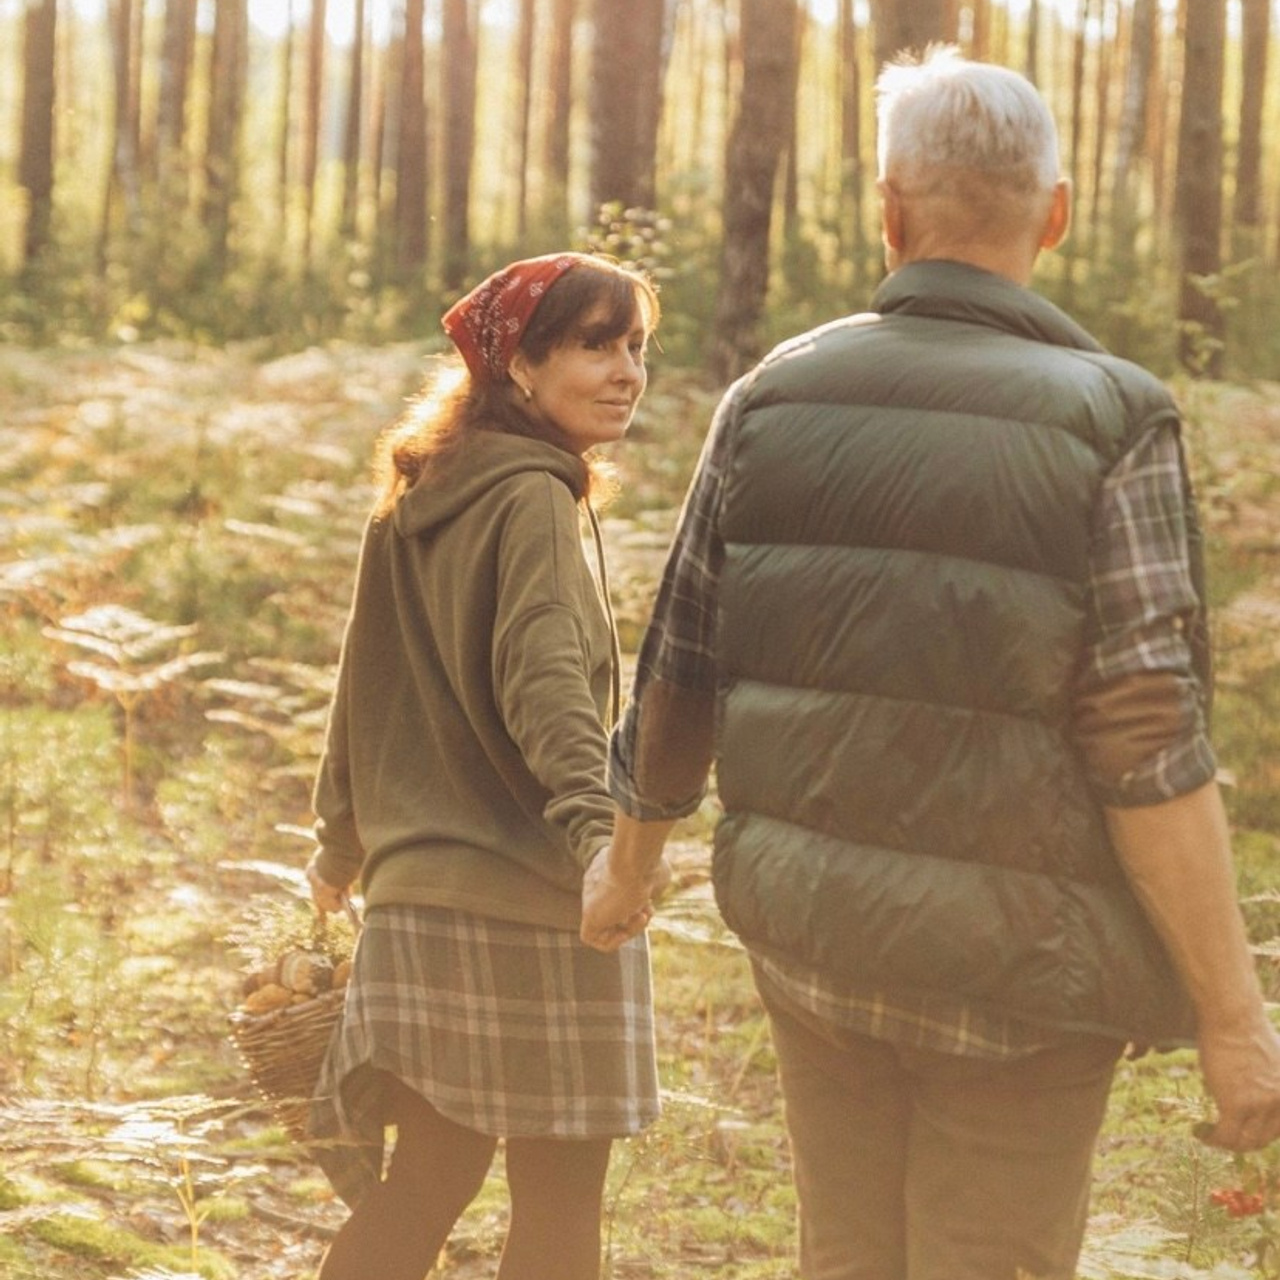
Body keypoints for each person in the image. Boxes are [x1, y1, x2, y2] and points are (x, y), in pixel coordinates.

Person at [581, 48, 1280, 1280]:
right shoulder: (1115, 419)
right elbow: (1146, 740)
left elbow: (680, 664)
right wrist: (1232, 1018)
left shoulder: (768, 397)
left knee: (844, 1257)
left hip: (815, 949)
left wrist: (624, 867)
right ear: (1052, 216)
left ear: (889, 213)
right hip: (1017, 979)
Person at [305, 252, 662, 1280]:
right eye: (595, 344)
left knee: (425, 1178)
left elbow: (356, 683)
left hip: (418, 897)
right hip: (536, 897)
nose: (626, 371)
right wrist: (603, 840)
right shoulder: (533, 501)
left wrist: (338, 844)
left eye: (634, 346)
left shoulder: (412, 498)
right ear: (519, 366)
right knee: (557, 1200)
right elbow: (544, 677)